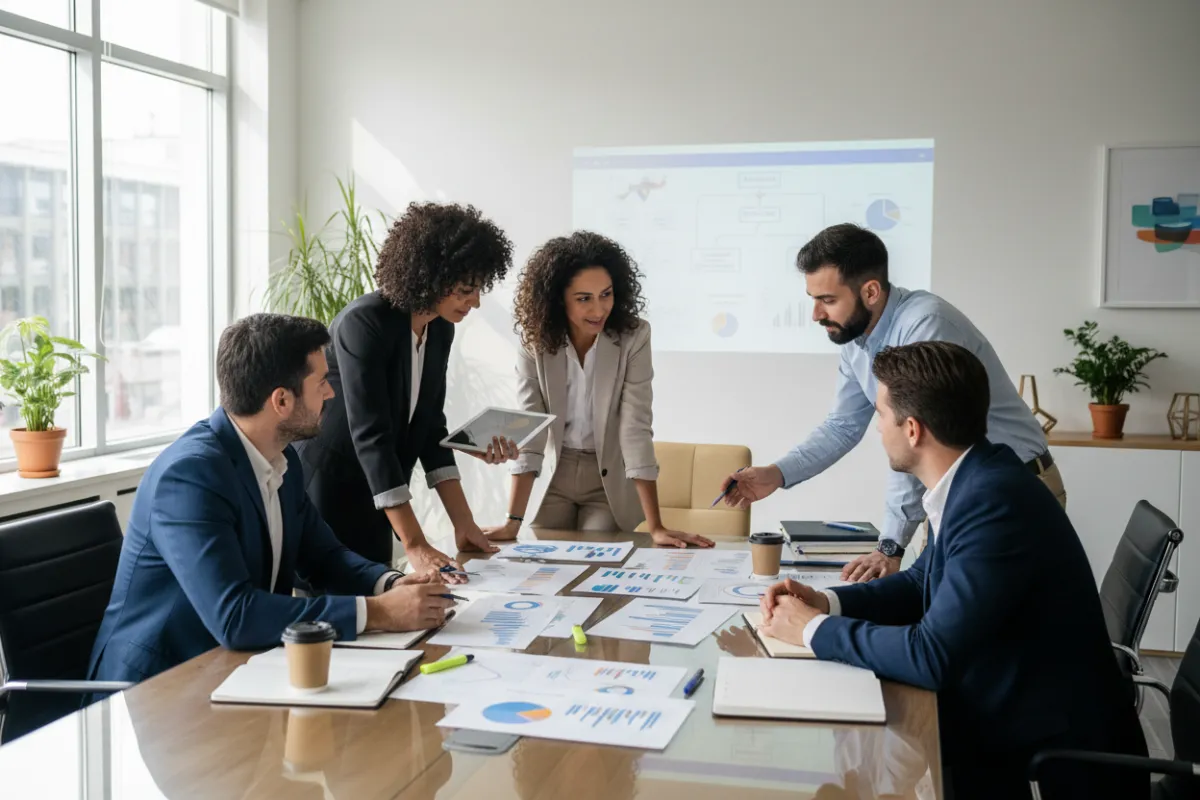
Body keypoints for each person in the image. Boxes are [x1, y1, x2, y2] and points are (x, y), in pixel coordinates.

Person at [758, 341, 1147, 800]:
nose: (877, 428)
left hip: (1049, 759)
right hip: (1005, 715)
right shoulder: (979, 478)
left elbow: (931, 656)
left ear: (912, 430)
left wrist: (813, 630)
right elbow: (922, 580)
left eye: (880, 416)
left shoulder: (992, 502)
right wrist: (828, 602)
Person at [88, 314, 453, 684]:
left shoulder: (283, 459)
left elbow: (324, 556)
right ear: (281, 400)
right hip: (153, 690)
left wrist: (389, 584)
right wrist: (378, 613)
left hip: (234, 669)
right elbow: (235, 616)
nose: (330, 393)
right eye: (322, 382)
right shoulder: (190, 477)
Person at [721, 223, 1062, 581]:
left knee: (972, 630)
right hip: (954, 495)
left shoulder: (925, 324)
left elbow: (919, 436)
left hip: (1013, 488)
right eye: (814, 300)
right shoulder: (856, 339)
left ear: (870, 291)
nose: (816, 315)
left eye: (828, 300)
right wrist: (776, 474)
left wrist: (890, 545)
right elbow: (843, 426)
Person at [296, 202, 517, 580]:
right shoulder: (364, 322)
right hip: (333, 484)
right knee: (341, 606)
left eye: (479, 289)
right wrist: (414, 544)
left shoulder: (441, 329)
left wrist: (464, 525)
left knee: (379, 599)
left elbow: (431, 426)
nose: (476, 301)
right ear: (431, 277)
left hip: (379, 489)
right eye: (466, 290)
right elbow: (372, 436)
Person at [489, 231, 713, 547]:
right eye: (584, 299)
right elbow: (532, 428)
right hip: (554, 476)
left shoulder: (634, 336)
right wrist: (512, 522)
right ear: (557, 299)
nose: (599, 310)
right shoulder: (534, 341)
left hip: (606, 479)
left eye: (605, 295)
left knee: (597, 564)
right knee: (542, 570)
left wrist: (656, 526)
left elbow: (634, 427)